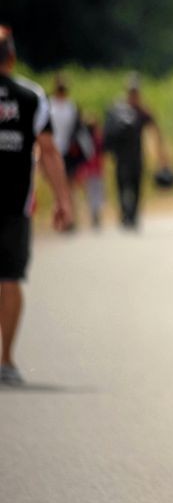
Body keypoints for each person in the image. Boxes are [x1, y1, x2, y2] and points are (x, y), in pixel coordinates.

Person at [0, 26, 74, 385]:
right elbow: (48, 151)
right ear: (11, 58)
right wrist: (63, 200)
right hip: (15, 204)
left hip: (15, 205)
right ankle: (7, 359)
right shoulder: (31, 96)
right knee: (10, 279)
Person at [103, 74, 169, 230]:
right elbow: (108, 133)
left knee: (136, 186)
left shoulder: (142, 111)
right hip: (120, 156)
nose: (134, 94)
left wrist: (162, 156)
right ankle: (125, 214)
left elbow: (155, 131)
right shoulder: (118, 110)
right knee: (122, 185)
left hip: (137, 156)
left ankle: (134, 215)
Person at [47, 73, 94, 227]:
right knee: (61, 186)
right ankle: (64, 217)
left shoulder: (70, 107)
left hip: (67, 151)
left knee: (69, 185)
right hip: (52, 151)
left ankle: (70, 218)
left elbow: (78, 130)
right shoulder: (50, 106)